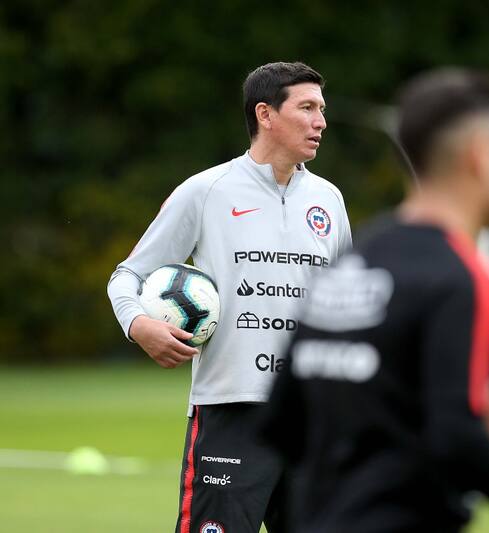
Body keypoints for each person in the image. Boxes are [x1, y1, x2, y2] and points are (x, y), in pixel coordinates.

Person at [260, 69, 489, 533]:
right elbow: (456, 434)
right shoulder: (462, 275)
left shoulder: (353, 262)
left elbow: (280, 421)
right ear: (480, 157)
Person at [107, 61, 351, 533]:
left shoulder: (329, 200)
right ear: (265, 114)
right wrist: (139, 325)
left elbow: (346, 309)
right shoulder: (206, 191)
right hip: (230, 411)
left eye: (321, 109)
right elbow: (127, 275)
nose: (321, 121)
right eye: (307, 108)